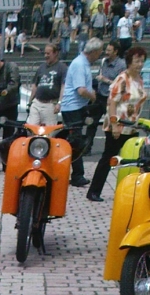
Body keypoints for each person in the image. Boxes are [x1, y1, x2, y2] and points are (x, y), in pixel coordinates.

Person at [87, 42, 146, 196]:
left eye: (142, 61)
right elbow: (112, 102)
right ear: (129, 62)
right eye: (136, 61)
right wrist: (114, 124)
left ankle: (129, 190)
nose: (139, 65)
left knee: (133, 159)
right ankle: (94, 191)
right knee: (108, 157)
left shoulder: (139, 80)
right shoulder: (122, 78)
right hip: (118, 125)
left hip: (132, 126)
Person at [60, 36, 104, 184]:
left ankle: (77, 173)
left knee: (76, 140)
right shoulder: (80, 64)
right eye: (99, 52)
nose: (100, 56)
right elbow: (81, 90)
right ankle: (77, 175)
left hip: (76, 106)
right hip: (73, 107)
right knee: (75, 141)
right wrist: (93, 97)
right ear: (94, 51)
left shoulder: (82, 63)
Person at [86, 39, 125, 150]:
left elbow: (122, 85)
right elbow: (99, 75)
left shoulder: (121, 65)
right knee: (92, 123)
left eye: (109, 50)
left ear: (116, 51)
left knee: (112, 123)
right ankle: (87, 147)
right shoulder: (104, 61)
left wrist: (106, 80)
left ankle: (114, 148)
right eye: (106, 50)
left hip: (111, 98)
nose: (106, 52)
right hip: (99, 96)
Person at [28, 41, 67, 122]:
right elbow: (35, 85)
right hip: (37, 103)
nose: (46, 56)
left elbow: (64, 86)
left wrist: (59, 103)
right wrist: (30, 102)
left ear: (55, 53)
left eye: (48, 53)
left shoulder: (62, 68)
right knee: (31, 128)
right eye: (45, 53)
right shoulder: (41, 67)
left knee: (49, 132)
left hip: (50, 104)